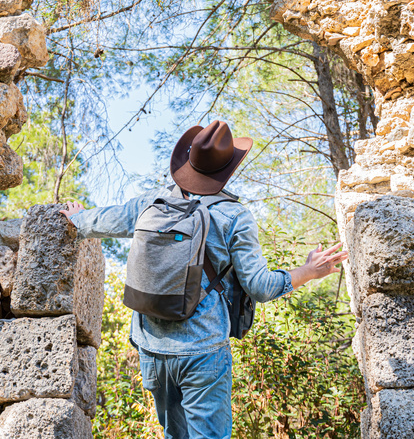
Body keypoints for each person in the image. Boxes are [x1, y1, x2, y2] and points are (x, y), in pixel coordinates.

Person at [60, 120, 347, 439]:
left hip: (151, 350)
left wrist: (76, 217)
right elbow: (260, 287)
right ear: (227, 170)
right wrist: (309, 270)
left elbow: (100, 221)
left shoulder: (151, 203)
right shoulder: (233, 216)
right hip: (203, 352)